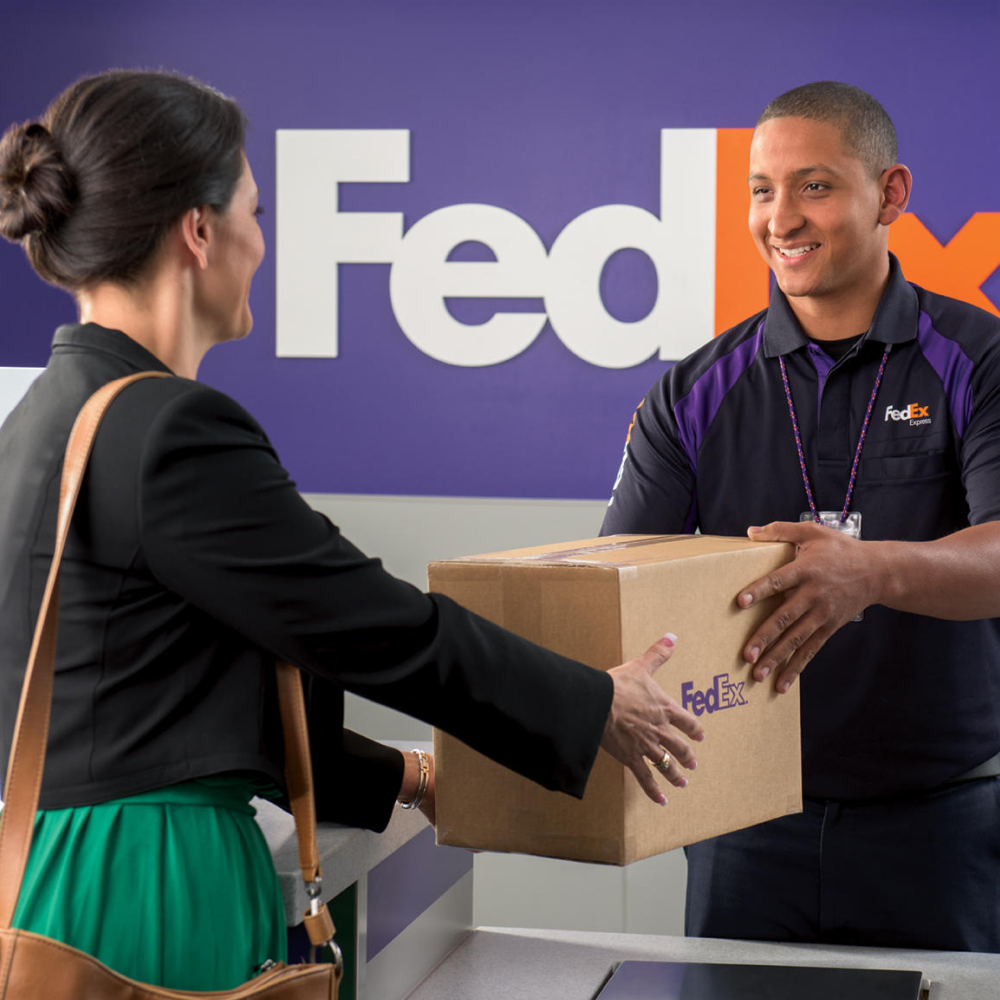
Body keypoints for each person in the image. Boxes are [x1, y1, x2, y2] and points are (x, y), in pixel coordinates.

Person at [0, 69, 704, 990]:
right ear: (199, 231)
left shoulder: (43, 416)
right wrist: (593, 702)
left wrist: (410, 777)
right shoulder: (170, 428)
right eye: (255, 211)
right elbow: (371, 624)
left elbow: (174, 691)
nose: (263, 241)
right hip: (153, 873)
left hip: (58, 865)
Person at [602, 80, 1000, 952]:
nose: (781, 218)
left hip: (946, 823)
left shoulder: (979, 361)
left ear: (890, 194)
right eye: (762, 190)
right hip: (744, 826)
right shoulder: (692, 391)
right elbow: (618, 585)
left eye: (814, 186)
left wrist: (872, 572)